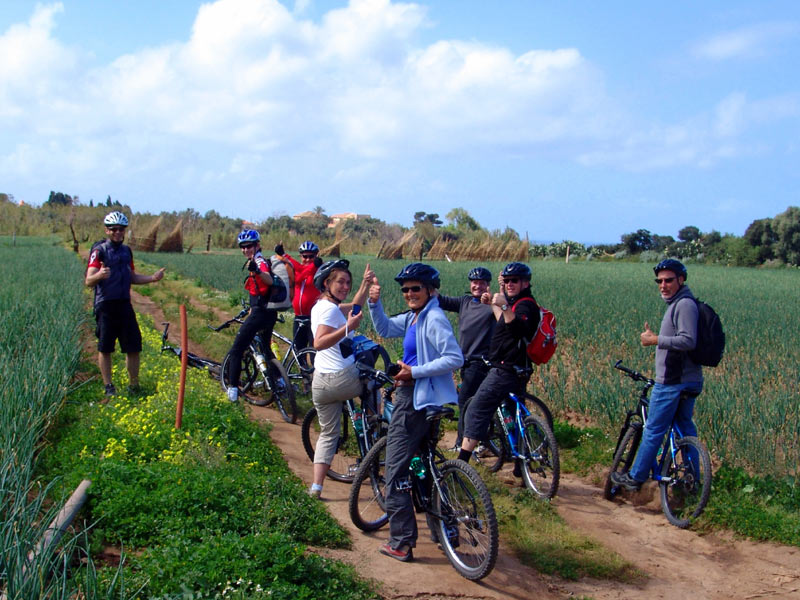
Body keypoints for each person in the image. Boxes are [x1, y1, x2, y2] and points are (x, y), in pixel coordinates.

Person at [367, 263, 463, 562]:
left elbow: (454, 357)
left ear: (431, 290)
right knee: (424, 466)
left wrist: (414, 372)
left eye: (415, 288)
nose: (409, 293)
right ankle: (444, 530)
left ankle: (401, 543)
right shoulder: (414, 317)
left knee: (395, 471)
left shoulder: (433, 318)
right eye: (405, 289)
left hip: (415, 400)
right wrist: (374, 303)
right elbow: (384, 328)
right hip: (423, 398)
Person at [610, 259, 703, 491]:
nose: (663, 285)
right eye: (659, 281)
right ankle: (691, 481)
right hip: (686, 380)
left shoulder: (684, 305)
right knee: (685, 428)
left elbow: (688, 340)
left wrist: (655, 340)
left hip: (672, 382)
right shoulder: (680, 303)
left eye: (668, 280)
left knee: (653, 430)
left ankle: (636, 477)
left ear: (681, 279)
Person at [458, 262, 540, 475]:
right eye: (507, 281)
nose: (510, 284)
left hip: (505, 370)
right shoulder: (515, 303)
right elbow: (503, 321)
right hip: (517, 369)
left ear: (525, 283)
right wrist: (494, 304)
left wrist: (503, 305)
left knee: (476, 409)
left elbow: (517, 329)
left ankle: (461, 464)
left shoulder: (526, 305)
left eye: (515, 281)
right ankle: (520, 466)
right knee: (513, 413)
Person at [308, 260, 375, 498]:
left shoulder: (323, 306)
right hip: (343, 379)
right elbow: (319, 342)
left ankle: (316, 487)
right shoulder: (330, 310)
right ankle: (374, 430)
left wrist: (365, 284)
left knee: (328, 434)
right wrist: (348, 328)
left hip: (321, 383)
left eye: (348, 282)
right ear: (327, 283)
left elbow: (355, 306)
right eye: (340, 282)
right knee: (375, 382)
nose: (345, 287)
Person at [85, 211, 165, 399]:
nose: (117, 232)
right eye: (114, 229)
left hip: (124, 304)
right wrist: (100, 275)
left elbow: (132, 277)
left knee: (134, 346)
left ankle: (134, 385)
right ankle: (108, 386)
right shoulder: (99, 251)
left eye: (121, 229)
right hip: (105, 305)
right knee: (105, 347)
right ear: (107, 230)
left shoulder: (126, 251)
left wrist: (152, 278)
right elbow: (89, 280)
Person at [435, 266, 496, 450]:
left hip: (480, 362)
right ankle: (483, 440)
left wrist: (493, 302)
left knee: (465, 402)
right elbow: (441, 300)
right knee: (477, 403)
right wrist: (426, 285)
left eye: (482, 283)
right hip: (466, 362)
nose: (477, 286)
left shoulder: (491, 305)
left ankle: (461, 443)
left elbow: (505, 311)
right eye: (474, 282)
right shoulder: (465, 302)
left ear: (488, 285)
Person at [225, 230, 277, 403]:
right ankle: (279, 382)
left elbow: (268, 279)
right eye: (242, 247)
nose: (245, 249)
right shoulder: (256, 260)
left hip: (261, 314)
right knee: (266, 349)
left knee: (237, 349)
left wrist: (257, 271)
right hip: (269, 312)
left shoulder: (259, 261)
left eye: (249, 246)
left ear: (257, 245)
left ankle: (232, 390)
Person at [275, 240, 322, 362]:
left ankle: (315, 374)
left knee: (314, 353)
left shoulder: (319, 271)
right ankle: (303, 374)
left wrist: (316, 266)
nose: (308, 259)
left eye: (311, 256)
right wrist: (284, 255)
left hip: (313, 318)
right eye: (305, 256)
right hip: (298, 317)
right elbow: (300, 274)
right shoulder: (299, 270)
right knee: (299, 351)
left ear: (316, 255)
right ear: (300, 256)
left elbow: (308, 270)